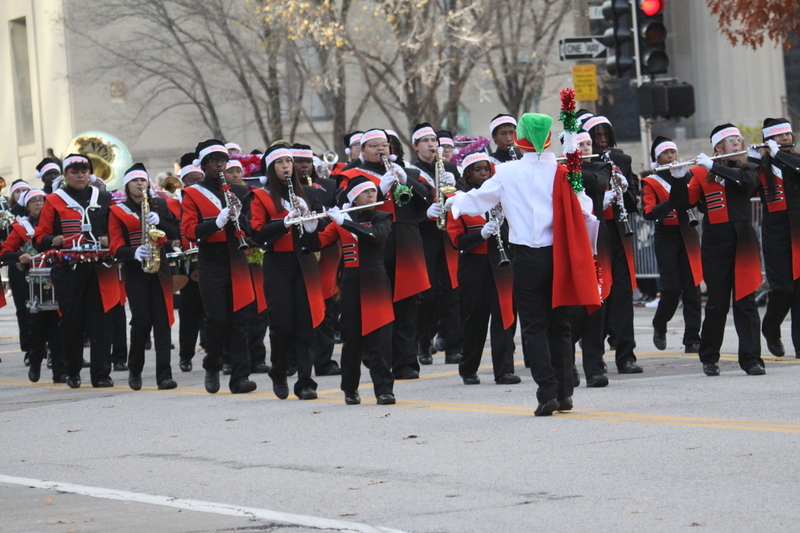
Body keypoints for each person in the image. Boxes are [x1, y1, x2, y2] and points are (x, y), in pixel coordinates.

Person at [447, 113, 601, 416]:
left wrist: (453, 202)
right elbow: (585, 208)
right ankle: (565, 391)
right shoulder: (563, 171)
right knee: (561, 324)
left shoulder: (506, 171)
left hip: (526, 256)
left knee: (534, 326)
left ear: (520, 138)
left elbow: (478, 200)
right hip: (559, 253)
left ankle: (547, 392)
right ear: (546, 138)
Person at [338, 129, 433, 380]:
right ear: (362, 149)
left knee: (408, 306)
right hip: (374, 245)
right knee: (377, 304)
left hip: (406, 243)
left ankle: (406, 362)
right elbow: (344, 208)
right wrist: (379, 189)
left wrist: (406, 180)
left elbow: (428, 201)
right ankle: (377, 360)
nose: (381, 149)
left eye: (385, 145)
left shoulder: (407, 172)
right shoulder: (351, 176)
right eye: (374, 146)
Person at [670, 124, 764, 376]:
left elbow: (746, 184)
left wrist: (713, 166)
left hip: (743, 238)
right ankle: (709, 357)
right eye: (731, 140)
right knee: (717, 303)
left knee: (745, 301)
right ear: (718, 147)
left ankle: (752, 358)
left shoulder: (748, 167)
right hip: (715, 240)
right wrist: (678, 179)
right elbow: (682, 204)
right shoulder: (701, 173)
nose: (737, 143)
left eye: (739, 140)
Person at [303, 176, 396, 405]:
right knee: (352, 338)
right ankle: (350, 389)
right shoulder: (342, 219)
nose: (372, 196)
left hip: (375, 280)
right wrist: (309, 228)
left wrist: (345, 223)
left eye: (373, 192)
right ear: (354, 197)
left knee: (380, 338)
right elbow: (316, 244)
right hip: (351, 282)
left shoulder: (382, 216)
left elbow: (376, 236)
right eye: (366, 193)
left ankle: (384, 389)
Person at [34, 154, 120, 389]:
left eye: (84, 171)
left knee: (101, 322)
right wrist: (55, 239)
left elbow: (117, 229)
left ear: (90, 173)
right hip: (68, 270)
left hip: (100, 269)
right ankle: (72, 371)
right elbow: (39, 238)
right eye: (74, 171)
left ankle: (102, 374)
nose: (80, 175)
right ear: (65, 175)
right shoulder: (53, 200)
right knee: (72, 322)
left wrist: (108, 238)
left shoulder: (103, 197)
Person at [181, 139, 257, 394]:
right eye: (213, 161)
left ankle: (240, 377)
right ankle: (212, 364)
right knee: (216, 319)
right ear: (203, 165)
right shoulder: (192, 193)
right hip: (211, 260)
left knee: (240, 320)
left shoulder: (239, 192)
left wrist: (239, 217)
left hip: (236, 258)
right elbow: (190, 231)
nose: (218, 165)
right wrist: (218, 220)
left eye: (222, 160)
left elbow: (251, 229)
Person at [249, 145, 325, 400]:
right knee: (281, 324)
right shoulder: (260, 196)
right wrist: (283, 222)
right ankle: (279, 371)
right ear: (271, 168)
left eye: (288, 162)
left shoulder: (311, 193)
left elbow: (322, 233)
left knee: (306, 324)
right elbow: (257, 234)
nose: (286, 166)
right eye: (280, 162)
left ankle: (306, 381)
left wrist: (312, 222)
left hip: (304, 263)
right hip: (277, 264)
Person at [447, 152, 519, 385]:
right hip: (474, 266)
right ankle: (468, 368)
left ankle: (504, 370)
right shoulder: (460, 201)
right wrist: (482, 233)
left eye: (486, 169)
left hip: (501, 263)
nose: (483, 173)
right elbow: (457, 240)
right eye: (477, 169)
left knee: (504, 316)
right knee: (475, 319)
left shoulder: (500, 199)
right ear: (467, 174)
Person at [109, 164, 180, 390]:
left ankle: (164, 376)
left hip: (161, 269)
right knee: (141, 323)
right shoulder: (118, 211)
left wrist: (160, 220)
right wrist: (133, 253)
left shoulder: (159, 205)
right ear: (127, 186)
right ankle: (135, 371)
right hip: (136, 270)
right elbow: (115, 245)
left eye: (143, 181)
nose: (140, 185)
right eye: (135, 182)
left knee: (162, 322)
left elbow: (176, 231)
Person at [582, 113, 642, 375]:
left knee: (623, 295)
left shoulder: (621, 160)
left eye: (606, 134)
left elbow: (633, 204)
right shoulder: (580, 163)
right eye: (597, 136)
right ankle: (595, 356)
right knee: (598, 296)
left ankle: (626, 355)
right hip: (596, 235)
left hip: (619, 233)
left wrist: (625, 190)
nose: (602, 140)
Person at [642, 137, 702, 353]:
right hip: (666, 235)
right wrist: (675, 197)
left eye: (673, 152)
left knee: (692, 289)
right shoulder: (651, 181)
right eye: (665, 153)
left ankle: (693, 339)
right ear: (657, 157)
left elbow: (696, 202)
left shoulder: (688, 175)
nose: (670, 156)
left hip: (688, 233)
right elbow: (648, 213)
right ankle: (660, 322)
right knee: (672, 289)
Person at [408, 123, 462, 365]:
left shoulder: (449, 168)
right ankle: (423, 344)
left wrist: (457, 187)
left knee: (452, 294)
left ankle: (454, 348)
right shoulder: (410, 172)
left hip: (449, 237)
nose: (432, 145)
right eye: (426, 141)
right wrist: (425, 213)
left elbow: (466, 199)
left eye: (434, 140)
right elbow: (406, 211)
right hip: (425, 238)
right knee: (427, 296)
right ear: (416, 146)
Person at [564, 130, 613, 387]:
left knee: (597, 304)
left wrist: (571, 168)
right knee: (570, 309)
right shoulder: (558, 170)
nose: (584, 148)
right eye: (577, 145)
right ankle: (567, 364)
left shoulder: (601, 166)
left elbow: (596, 183)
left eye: (586, 144)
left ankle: (594, 367)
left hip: (595, 244)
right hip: (568, 243)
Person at [0, 189, 64, 383]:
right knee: (37, 326)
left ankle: (59, 371)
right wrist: (20, 256)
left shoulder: (56, 223)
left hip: (58, 279)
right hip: (34, 283)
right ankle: (35, 362)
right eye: (34, 201)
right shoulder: (21, 227)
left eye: (42, 200)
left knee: (59, 325)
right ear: (27, 205)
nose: (39, 204)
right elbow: (4, 253)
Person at [751, 118, 800, 357]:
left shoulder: (794, 160)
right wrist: (751, 160)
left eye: (788, 135)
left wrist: (779, 154)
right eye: (780, 136)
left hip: (798, 229)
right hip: (775, 231)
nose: (786, 139)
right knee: (783, 289)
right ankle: (770, 328)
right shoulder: (760, 166)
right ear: (768, 140)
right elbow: (745, 187)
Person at [292, 144, 342, 377]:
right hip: (295, 254)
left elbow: (339, 214)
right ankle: (294, 359)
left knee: (327, 308)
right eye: (298, 161)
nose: (303, 166)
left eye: (307, 162)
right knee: (296, 308)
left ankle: (324, 360)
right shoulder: (282, 189)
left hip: (326, 253)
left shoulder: (329, 185)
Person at [174, 153, 205, 372]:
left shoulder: (207, 200)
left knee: (213, 311)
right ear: (183, 183)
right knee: (189, 312)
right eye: (190, 180)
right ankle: (186, 355)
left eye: (198, 179)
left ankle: (215, 352)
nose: (195, 184)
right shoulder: (170, 204)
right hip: (186, 263)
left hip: (209, 259)